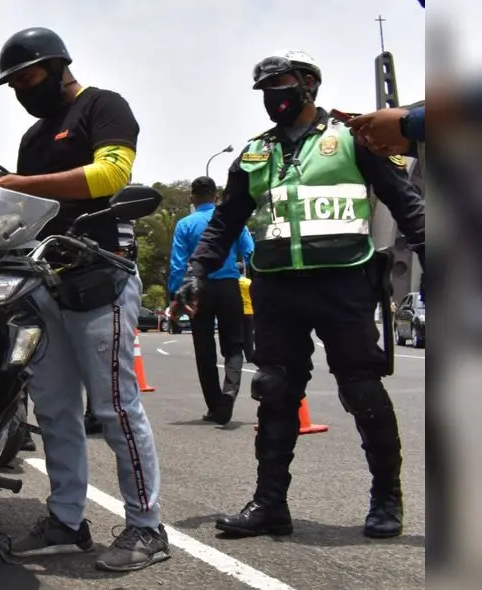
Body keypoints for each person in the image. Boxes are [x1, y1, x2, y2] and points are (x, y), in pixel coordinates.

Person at [175, 49, 425, 540]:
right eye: (266, 89)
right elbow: (225, 222)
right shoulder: (254, 152)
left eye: (282, 84)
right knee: (273, 389)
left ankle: (385, 498)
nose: (274, 96)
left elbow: (406, 203)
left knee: (361, 388)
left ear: (309, 84)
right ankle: (270, 504)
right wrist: (196, 271)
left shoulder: (354, 139)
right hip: (277, 287)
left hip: (343, 281)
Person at [0, 27, 168, 573]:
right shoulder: (32, 137)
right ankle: (67, 521)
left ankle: (147, 527)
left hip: (100, 281)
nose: (23, 89)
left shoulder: (104, 107)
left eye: (29, 77)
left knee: (115, 408)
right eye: (14, 83)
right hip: (45, 286)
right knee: (55, 410)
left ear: (59, 65)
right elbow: (25, 211)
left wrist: (23, 185)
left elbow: (112, 174)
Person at [167, 176, 253, 425]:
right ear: (216, 196)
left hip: (198, 289)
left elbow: (178, 264)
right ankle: (229, 393)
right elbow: (250, 251)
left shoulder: (185, 225)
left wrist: (176, 295)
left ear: (192, 198)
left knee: (204, 349)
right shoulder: (232, 220)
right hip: (228, 286)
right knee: (234, 345)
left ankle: (215, 406)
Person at [237, 262, 255, 363]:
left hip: (237, 312)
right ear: (243, 270)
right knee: (249, 335)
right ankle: (250, 355)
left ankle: (237, 355)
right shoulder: (248, 282)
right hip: (249, 311)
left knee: (238, 334)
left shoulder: (233, 283)